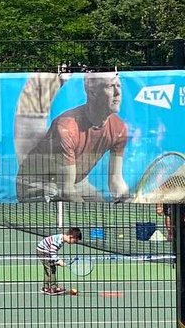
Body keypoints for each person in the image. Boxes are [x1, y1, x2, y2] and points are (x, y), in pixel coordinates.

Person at [16, 72, 129, 202]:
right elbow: (66, 191)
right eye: (110, 86)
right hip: (36, 183)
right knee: (68, 217)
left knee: (101, 209)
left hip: (77, 182)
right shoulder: (66, 128)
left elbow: (116, 180)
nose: (117, 93)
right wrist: (91, 217)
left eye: (118, 86)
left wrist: (128, 201)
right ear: (92, 93)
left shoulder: (119, 129)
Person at [36, 227, 82, 295]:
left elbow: (52, 253)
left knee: (48, 269)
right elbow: (52, 252)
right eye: (75, 241)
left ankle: (45, 287)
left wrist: (57, 261)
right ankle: (53, 288)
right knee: (51, 269)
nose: (74, 243)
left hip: (44, 251)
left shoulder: (60, 238)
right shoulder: (58, 241)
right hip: (43, 252)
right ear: (71, 236)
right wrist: (58, 261)